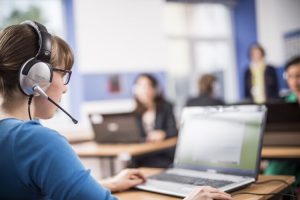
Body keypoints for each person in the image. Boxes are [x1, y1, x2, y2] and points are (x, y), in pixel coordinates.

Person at [0, 21, 232, 200]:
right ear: (37, 77)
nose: (66, 87)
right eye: (63, 74)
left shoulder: (13, 137)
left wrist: (106, 184)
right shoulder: (38, 142)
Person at [264, 56, 300, 193]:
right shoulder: (282, 104)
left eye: (298, 76)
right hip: (284, 155)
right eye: (290, 76)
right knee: (271, 179)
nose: (294, 82)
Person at [132, 73, 178, 168]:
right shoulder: (135, 113)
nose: (144, 90)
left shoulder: (165, 107)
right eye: (140, 86)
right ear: (135, 90)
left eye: (148, 86)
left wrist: (163, 134)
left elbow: (174, 130)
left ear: (155, 89)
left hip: (163, 154)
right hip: (143, 155)